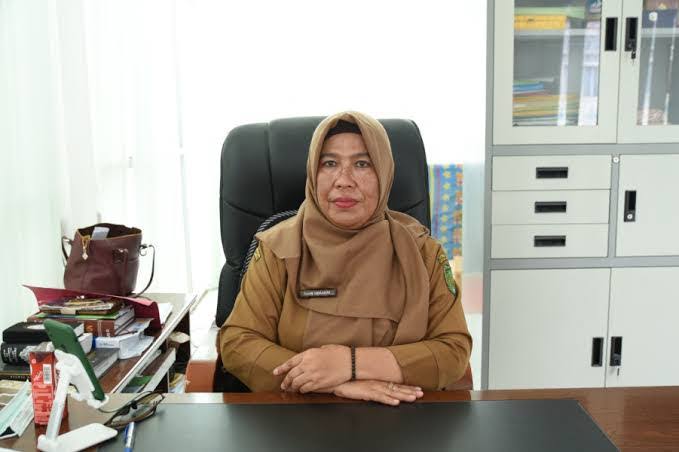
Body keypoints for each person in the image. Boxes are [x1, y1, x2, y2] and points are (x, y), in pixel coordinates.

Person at [219, 111, 471, 406]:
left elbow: (453, 350)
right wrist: (335, 383)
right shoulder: (278, 249)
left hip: (400, 415)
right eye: (329, 163)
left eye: (362, 164)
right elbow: (238, 343)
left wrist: (349, 364)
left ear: (384, 174)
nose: (344, 181)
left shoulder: (423, 252)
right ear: (313, 174)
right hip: (298, 412)